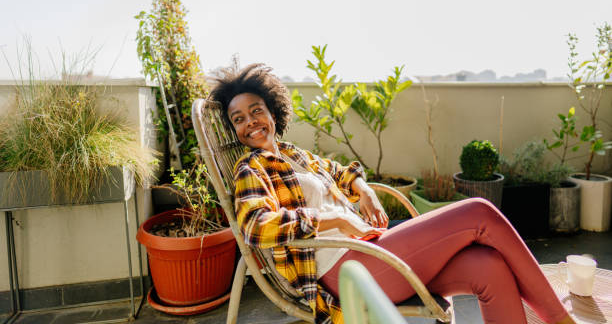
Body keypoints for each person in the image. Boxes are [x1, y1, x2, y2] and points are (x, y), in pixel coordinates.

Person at [209, 63, 576, 324]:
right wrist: (333, 218)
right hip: (344, 270)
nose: (250, 122)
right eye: (238, 118)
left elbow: (341, 171)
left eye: (256, 110)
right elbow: (256, 226)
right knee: (479, 212)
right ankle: (561, 319)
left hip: (372, 248)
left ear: (273, 112)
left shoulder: (294, 155)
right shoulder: (252, 169)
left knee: (490, 269)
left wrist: (363, 188)